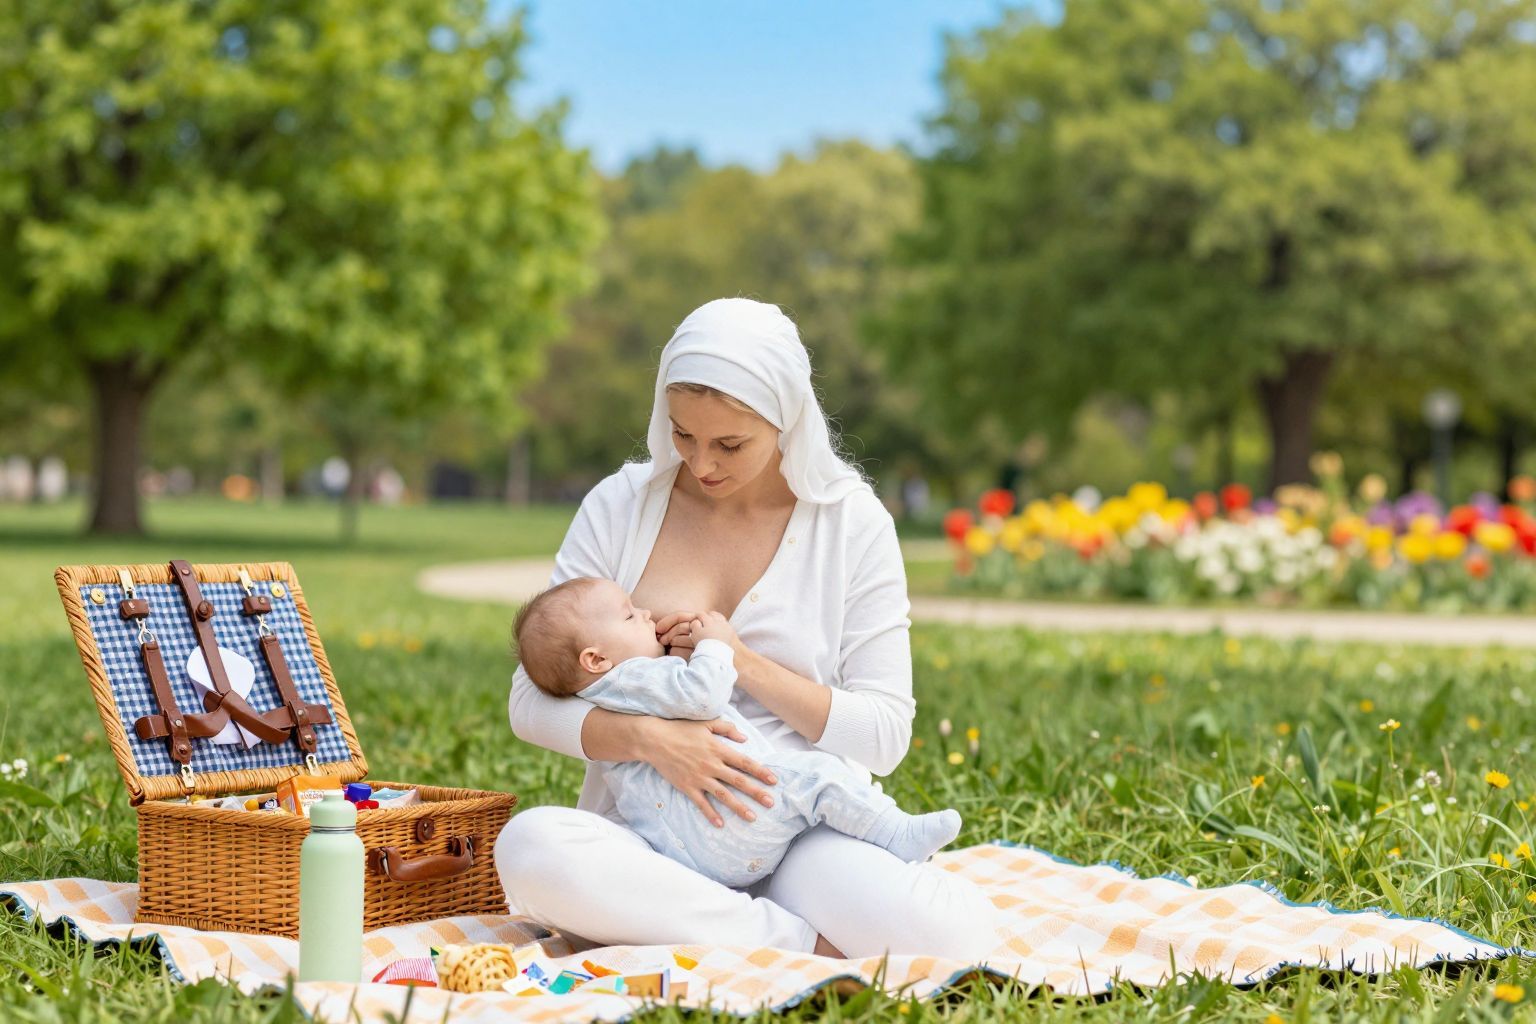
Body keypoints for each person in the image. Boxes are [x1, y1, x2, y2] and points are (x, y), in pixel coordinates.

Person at [494, 297, 1001, 960]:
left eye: (730, 443)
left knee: (960, 938)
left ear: (786, 418)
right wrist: (651, 741)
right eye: (683, 434)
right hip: (652, 837)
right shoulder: (621, 506)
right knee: (529, 849)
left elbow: (883, 736)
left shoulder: (852, 524)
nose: (701, 464)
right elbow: (529, 700)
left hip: (799, 832)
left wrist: (739, 659)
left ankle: (680, 925)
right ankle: (787, 939)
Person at [511, 576, 964, 888]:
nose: (646, 612)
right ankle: (893, 832)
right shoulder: (637, 678)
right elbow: (703, 696)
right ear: (595, 660)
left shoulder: (603, 694)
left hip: (688, 852)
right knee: (821, 778)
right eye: (630, 616)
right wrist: (715, 644)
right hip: (744, 813)